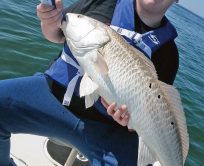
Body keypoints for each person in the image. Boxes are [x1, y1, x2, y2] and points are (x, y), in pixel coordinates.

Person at [0, 0, 179, 165]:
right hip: (52, 96)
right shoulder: (102, 2)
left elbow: (156, 114)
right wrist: (49, 21)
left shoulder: (169, 55)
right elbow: (57, 34)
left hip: (107, 131)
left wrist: (128, 121)